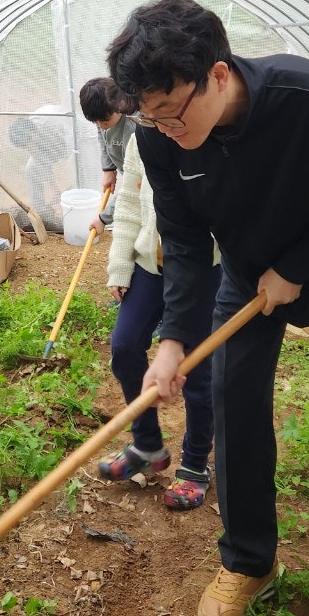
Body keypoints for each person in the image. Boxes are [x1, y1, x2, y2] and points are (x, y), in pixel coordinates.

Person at [107, 0, 309, 616]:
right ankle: (249, 561)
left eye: (172, 113)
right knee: (233, 400)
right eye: (150, 120)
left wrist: (298, 268)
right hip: (246, 269)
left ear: (216, 73)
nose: (166, 129)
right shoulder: (158, 136)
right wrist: (174, 338)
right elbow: (180, 238)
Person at [100, 134, 221, 508]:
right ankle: (148, 445)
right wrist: (120, 264)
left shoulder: (211, 138)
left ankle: (196, 465)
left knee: (197, 372)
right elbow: (130, 206)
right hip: (149, 266)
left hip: (204, 268)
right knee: (125, 346)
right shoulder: (144, 138)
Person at [78, 77, 136, 234]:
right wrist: (108, 168)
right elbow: (102, 132)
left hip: (147, 184)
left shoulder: (134, 129)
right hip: (135, 177)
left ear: (121, 105)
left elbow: (134, 184)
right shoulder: (104, 113)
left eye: (104, 120)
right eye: (95, 122)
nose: (100, 126)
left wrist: (104, 218)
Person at [8, 105, 70, 233]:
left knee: (78, 170)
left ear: (33, 131)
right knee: (31, 169)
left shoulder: (50, 123)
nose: (29, 146)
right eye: (26, 146)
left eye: (29, 141)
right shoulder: (29, 139)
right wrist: (55, 190)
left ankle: (80, 212)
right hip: (51, 146)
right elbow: (41, 163)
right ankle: (41, 214)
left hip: (78, 139)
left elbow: (74, 150)